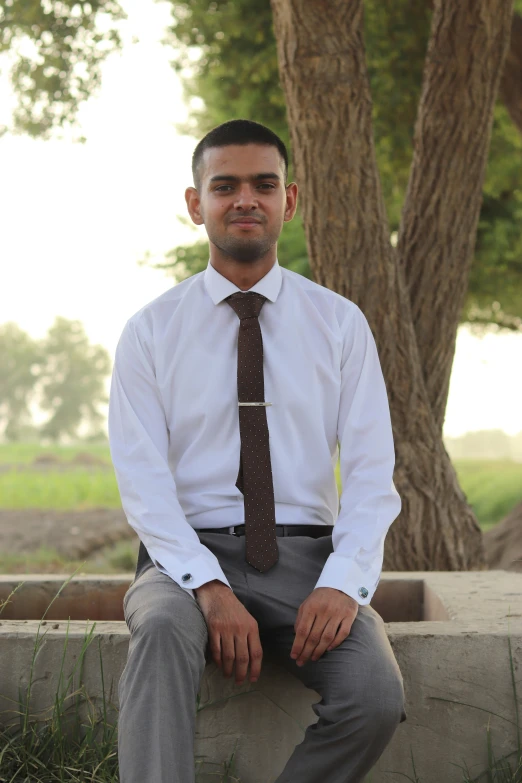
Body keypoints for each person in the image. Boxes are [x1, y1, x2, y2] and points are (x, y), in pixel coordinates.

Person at [108, 118, 407, 783]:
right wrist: (208, 586)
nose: (246, 198)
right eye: (225, 185)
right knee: (158, 629)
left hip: (308, 559)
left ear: (289, 201)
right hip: (184, 561)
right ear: (197, 204)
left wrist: (342, 583)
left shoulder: (339, 323)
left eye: (264, 184)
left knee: (375, 692)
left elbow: (369, 474)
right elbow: (144, 485)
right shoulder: (150, 332)